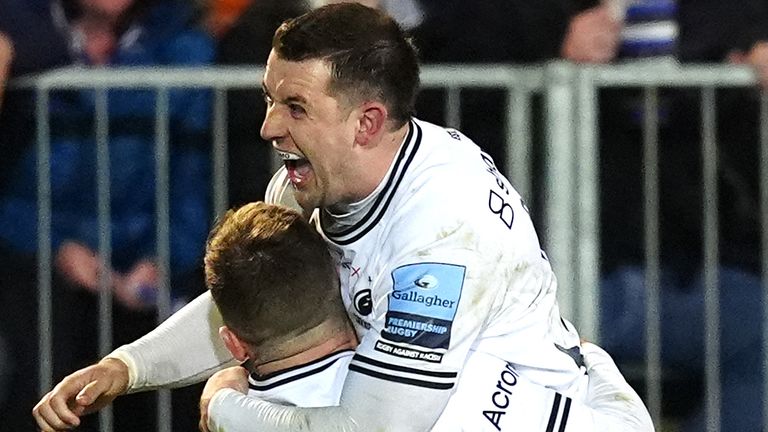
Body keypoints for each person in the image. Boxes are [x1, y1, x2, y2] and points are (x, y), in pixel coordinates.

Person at [33, 4, 652, 431]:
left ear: (367, 122)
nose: (269, 126)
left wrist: (225, 407)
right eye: (270, 99)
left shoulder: (439, 237)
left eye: (295, 107)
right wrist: (127, 367)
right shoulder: (310, 185)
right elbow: (256, 304)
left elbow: (372, 427)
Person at [203, 201, 652, 432]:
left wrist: (222, 401)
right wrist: (592, 359)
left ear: (233, 343)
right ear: (339, 287)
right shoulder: (448, 364)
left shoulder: (244, 415)